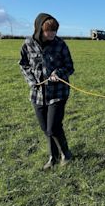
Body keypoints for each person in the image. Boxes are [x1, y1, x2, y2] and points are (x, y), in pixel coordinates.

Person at [19, 13, 75, 170]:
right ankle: (53, 157)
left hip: (58, 93)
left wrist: (59, 73)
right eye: (48, 31)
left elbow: (70, 66)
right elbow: (23, 64)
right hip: (37, 94)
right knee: (45, 129)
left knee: (53, 127)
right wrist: (32, 81)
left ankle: (66, 154)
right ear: (39, 29)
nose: (52, 34)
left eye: (55, 31)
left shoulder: (60, 45)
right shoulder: (28, 44)